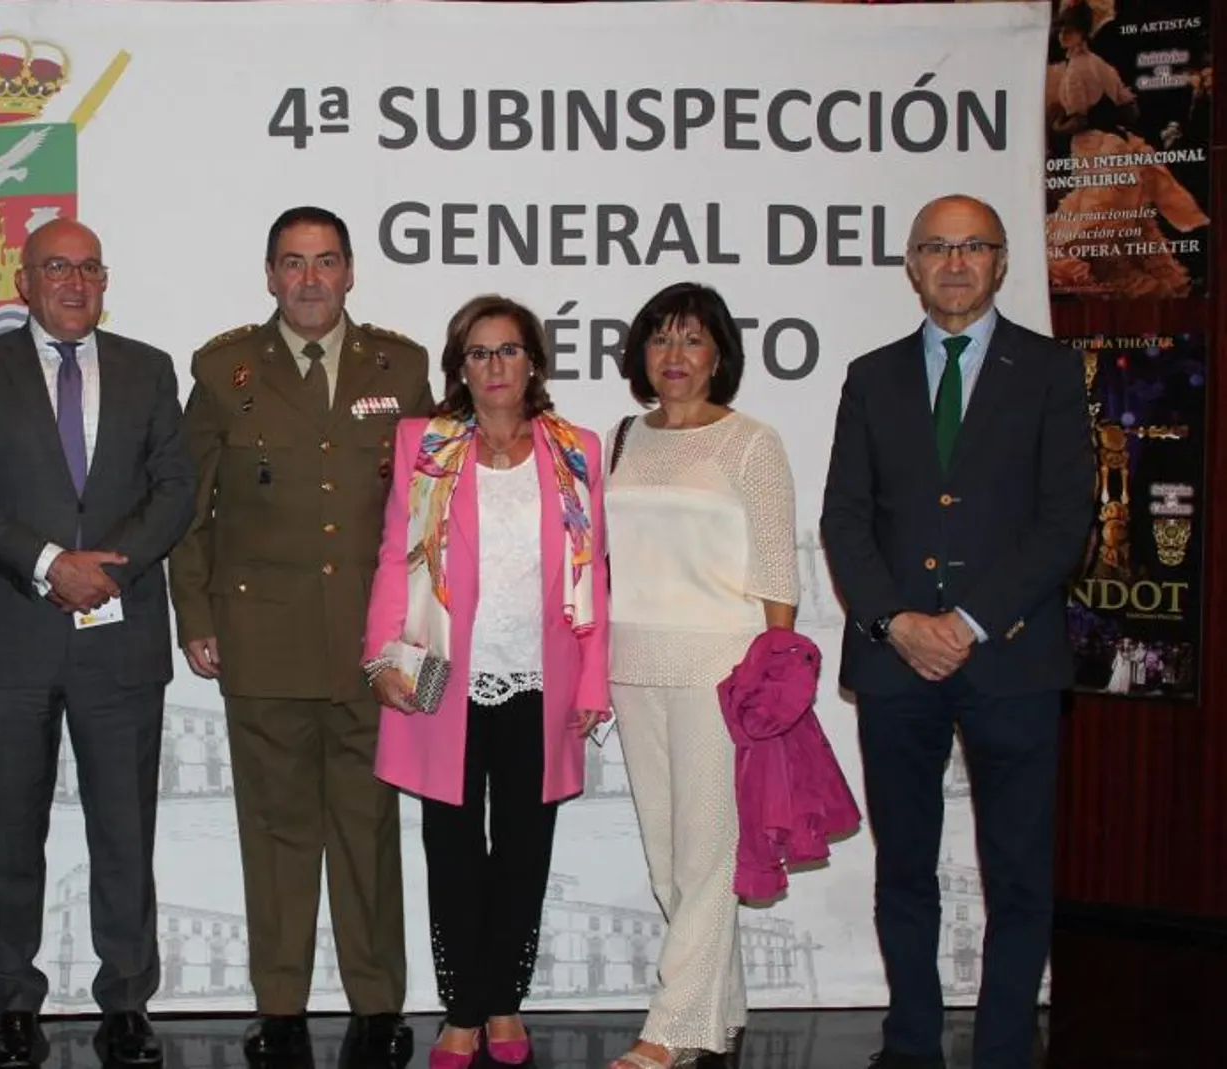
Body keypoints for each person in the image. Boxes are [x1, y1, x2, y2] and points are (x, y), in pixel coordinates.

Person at [821, 194, 1095, 1069]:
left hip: (1013, 660)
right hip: (896, 662)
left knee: (1017, 871)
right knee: (904, 868)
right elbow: (845, 518)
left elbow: (1065, 521)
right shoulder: (871, 375)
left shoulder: (1052, 371)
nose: (954, 262)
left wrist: (969, 622)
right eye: (936, 247)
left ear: (1001, 261)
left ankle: (1008, 1047)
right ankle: (910, 1044)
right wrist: (896, 621)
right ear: (910, 264)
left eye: (973, 246)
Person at [169, 206, 433, 1068]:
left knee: (367, 829)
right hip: (264, 641)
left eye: (326, 262)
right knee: (276, 832)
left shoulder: (402, 365)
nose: (311, 279)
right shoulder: (222, 369)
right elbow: (190, 507)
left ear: (351, 272)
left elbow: (427, 517)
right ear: (271, 275)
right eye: (293, 263)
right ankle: (279, 1005)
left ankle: (377, 1004)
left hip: (373, 649)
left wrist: (419, 634)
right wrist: (198, 617)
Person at [0, 218, 194, 1069]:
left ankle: (126, 1001)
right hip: (12, 635)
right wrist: (50, 564)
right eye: (56, 268)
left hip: (119, 634)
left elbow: (175, 489)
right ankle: (12, 1003)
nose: (74, 283)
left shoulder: (150, 370)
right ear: (23, 280)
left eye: (88, 268)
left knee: (126, 832)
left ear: (104, 280)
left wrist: (106, 567)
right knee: (10, 834)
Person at [362, 295, 609, 1069]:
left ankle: (506, 1003)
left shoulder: (577, 450)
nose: (494, 366)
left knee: (526, 853)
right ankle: (462, 1009)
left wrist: (593, 682)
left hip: (542, 682)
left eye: (508, 351)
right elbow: (392, 556)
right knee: (454, 850)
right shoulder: (425, 444)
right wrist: (380, 656)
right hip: (446, 680)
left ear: (533, 361)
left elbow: (594, 575)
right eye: (478, 352)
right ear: (458, 366)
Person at [602, 283, 801, 1069]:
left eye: (692, 340)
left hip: (723, 671)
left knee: (707, 854)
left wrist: (775, 677)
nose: (675, 357)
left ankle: (671, 1030)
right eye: (660, 340)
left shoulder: (751, 443)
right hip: (632, 666)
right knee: (666, 857)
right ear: (640, 354)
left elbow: (779, 568)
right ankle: (719, 1014)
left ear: (720, 353)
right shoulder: (623, 437)